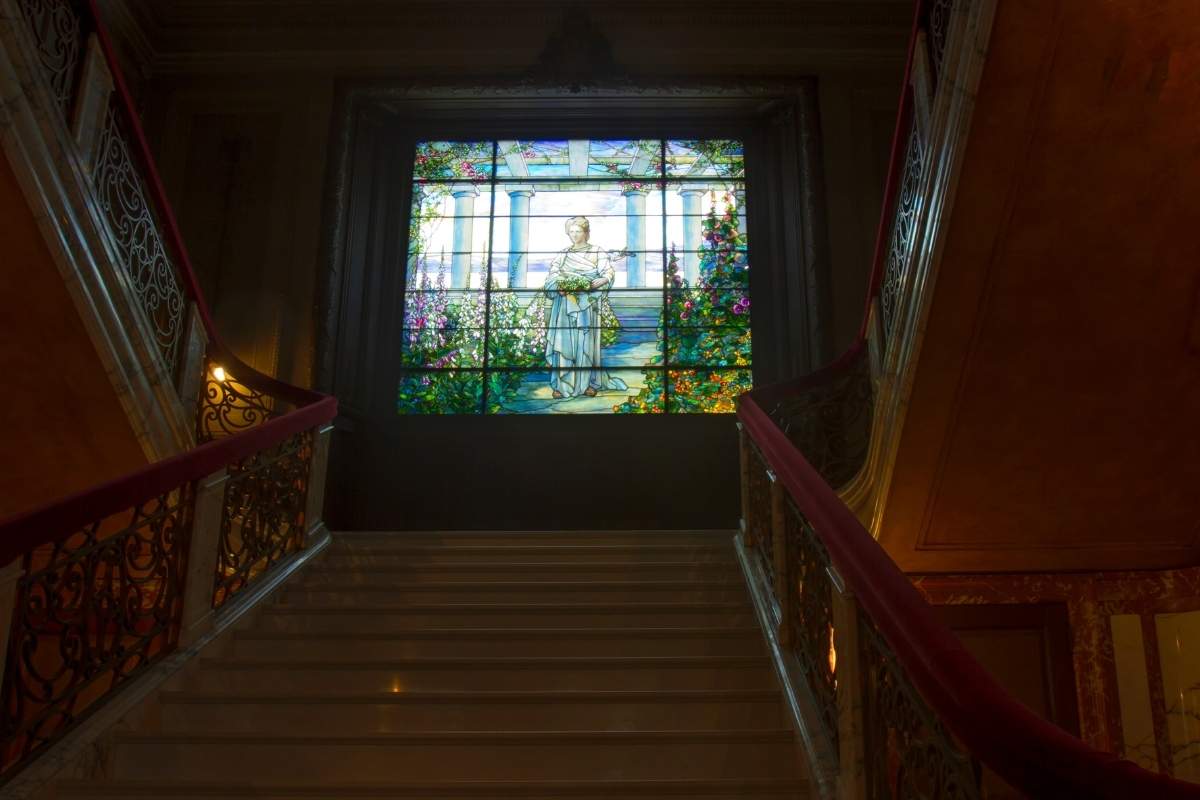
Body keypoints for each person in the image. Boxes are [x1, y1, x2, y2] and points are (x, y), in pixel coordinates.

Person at [543, 216, 627, 398]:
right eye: (571, 231)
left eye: (578, 231)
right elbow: (552, 275)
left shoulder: (597, 251)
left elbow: (607, 273)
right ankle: (562, 384)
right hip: (564, 306)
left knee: (584, 343)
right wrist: (559, 286)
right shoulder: (563, 254)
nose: (574, 235)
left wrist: (603, 280)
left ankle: (586, 382)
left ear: (586, 232)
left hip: (587, 305)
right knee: (564, 341)